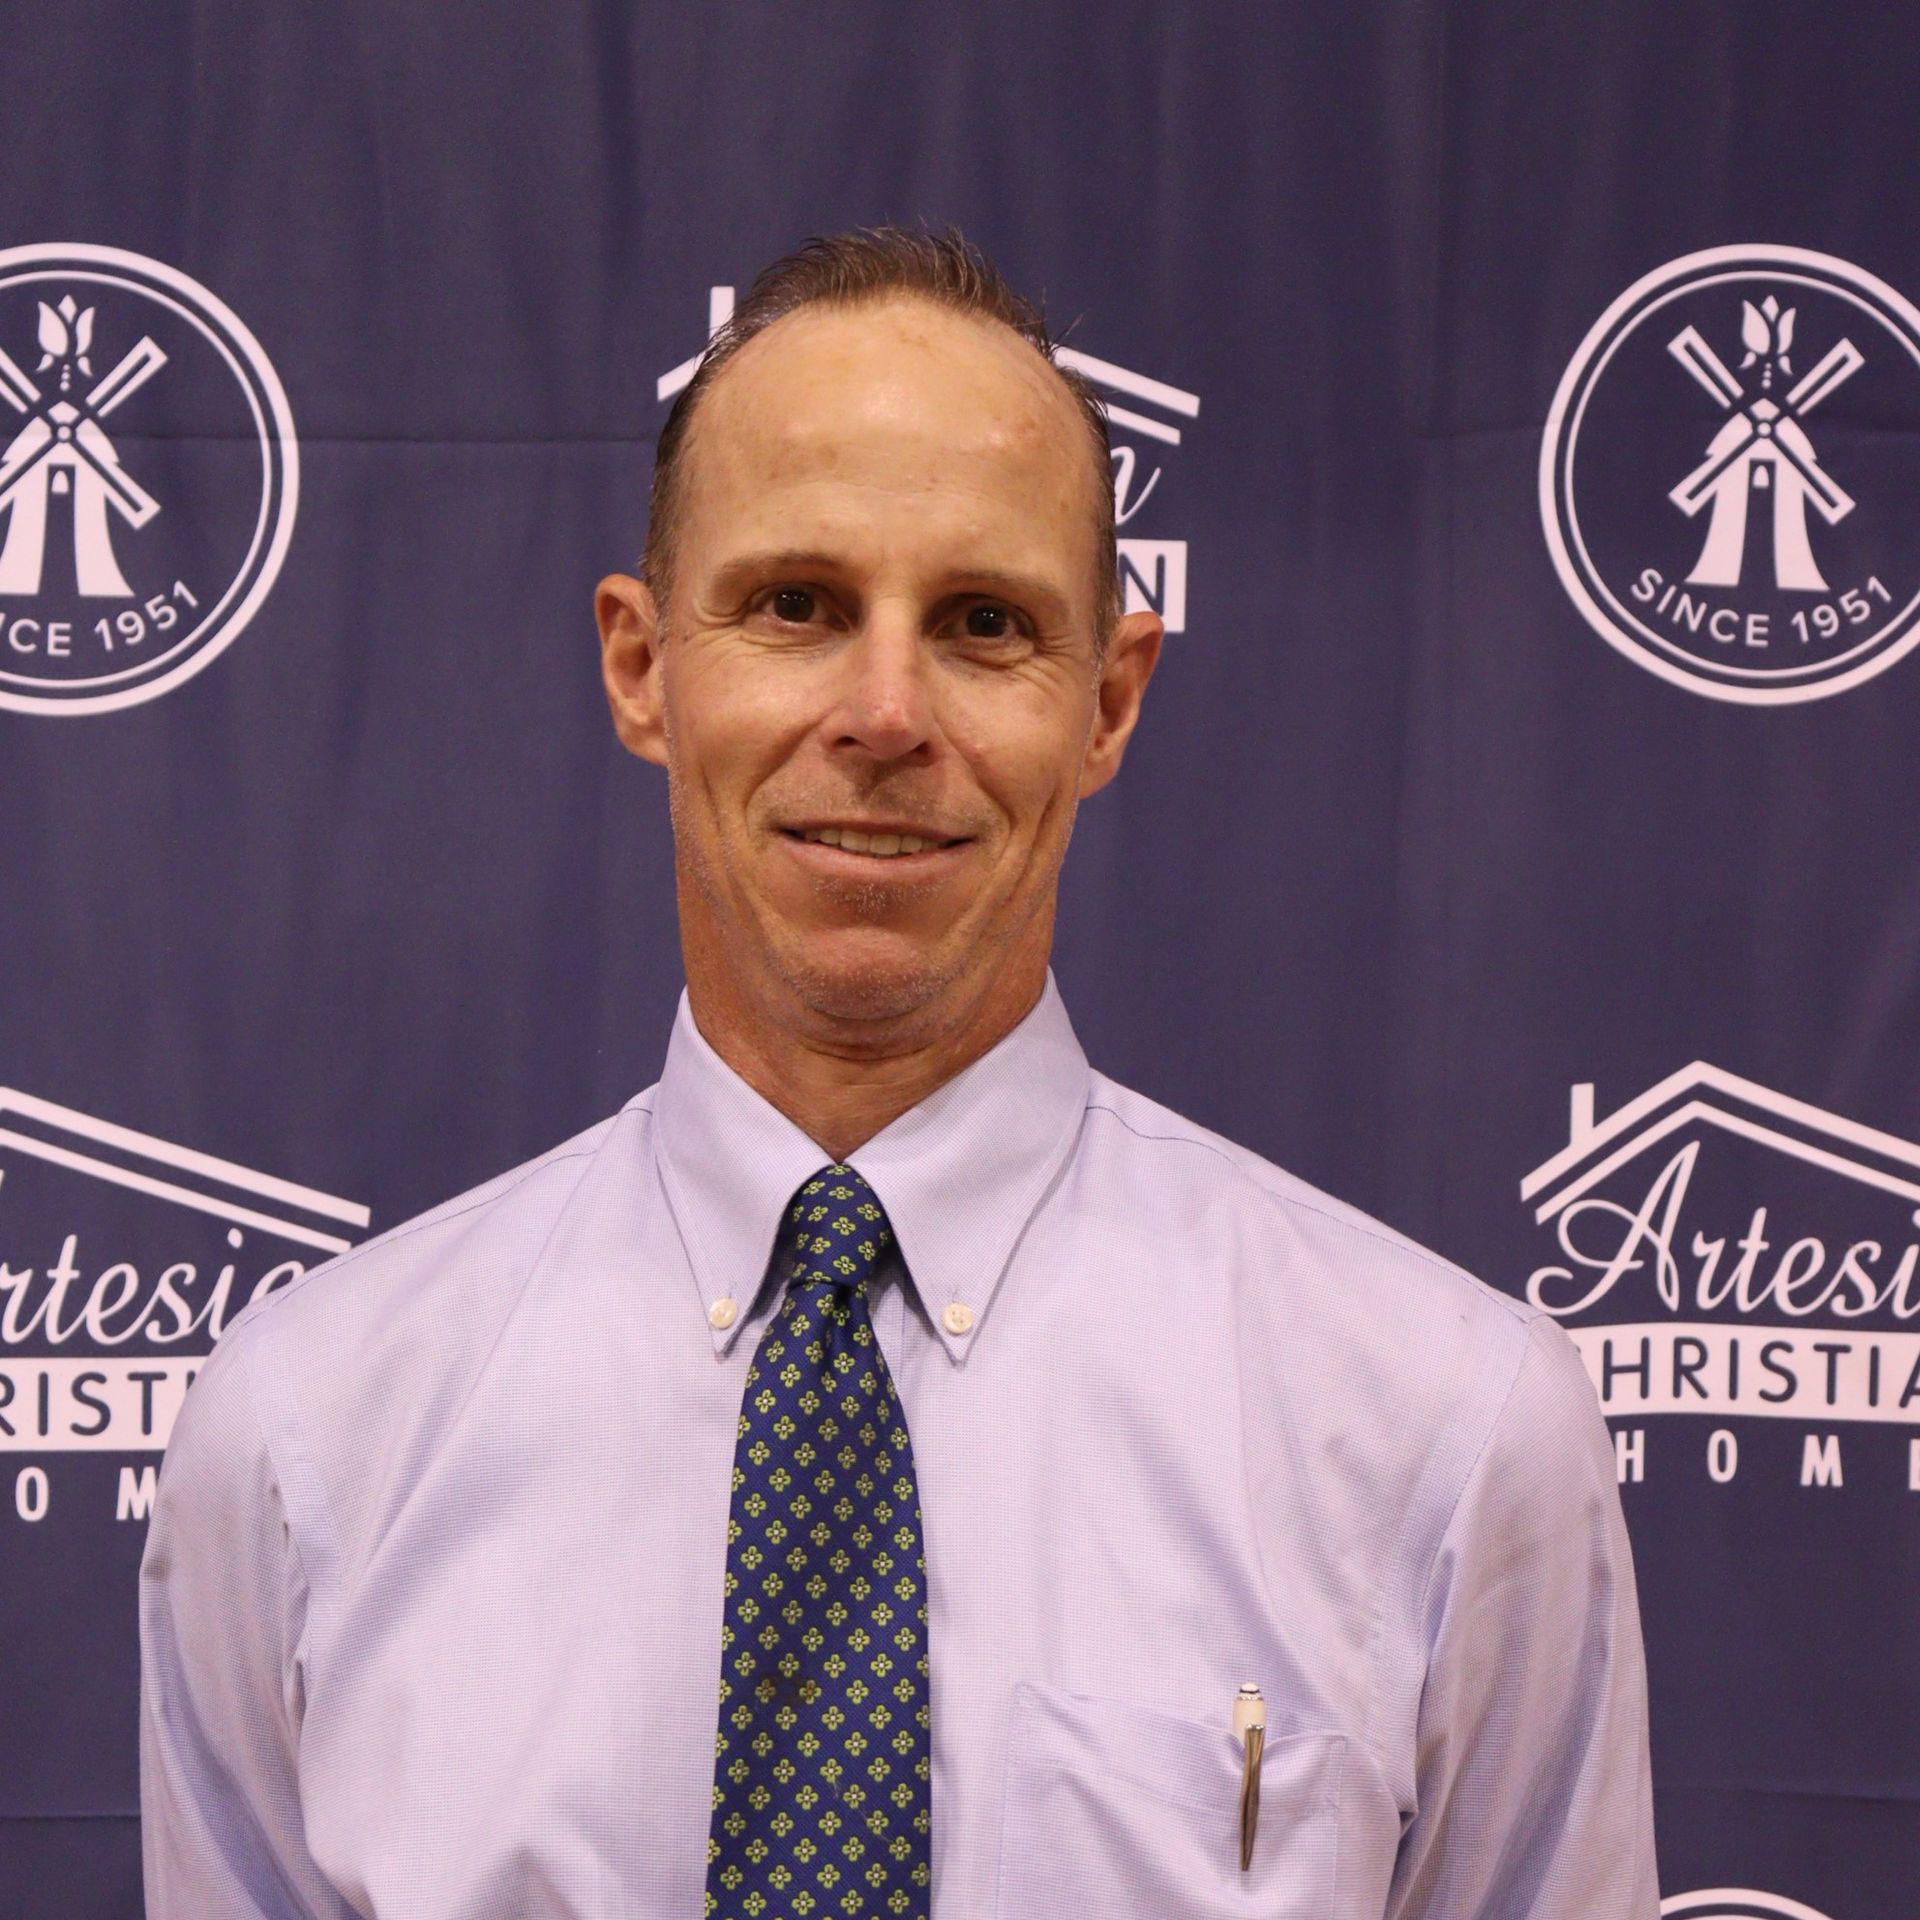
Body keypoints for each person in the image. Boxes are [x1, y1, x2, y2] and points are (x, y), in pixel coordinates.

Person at [139, 227, 1659, 1919]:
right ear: (645, 665)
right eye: (795, 604)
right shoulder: (305, 1441)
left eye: (984, 622)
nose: (883, 711)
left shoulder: (1446, 1432)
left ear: (1110, 699)